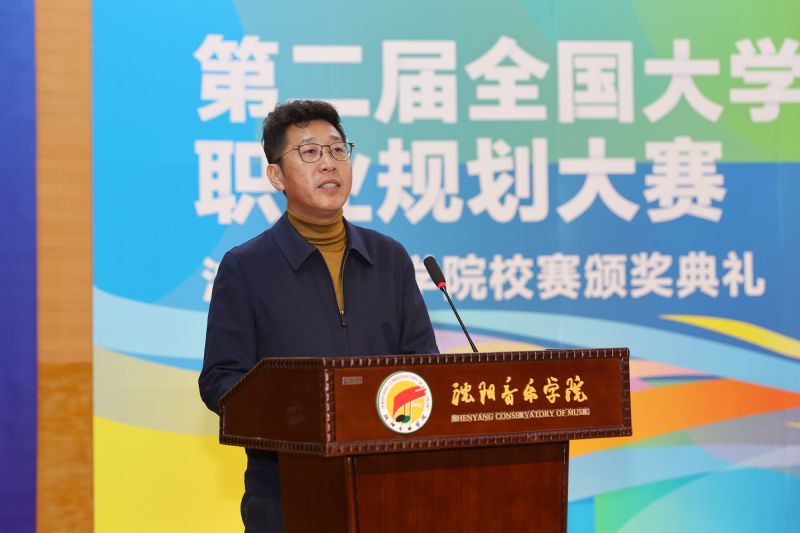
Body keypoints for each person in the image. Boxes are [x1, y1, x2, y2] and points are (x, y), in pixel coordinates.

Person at [198, 100, 439, 532]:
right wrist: (297, 414)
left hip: (387, 483)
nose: (329, 163)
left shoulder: (389, 258)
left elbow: (424, 365)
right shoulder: (246, 268)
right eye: (309, 152)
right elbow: (221, 380)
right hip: (286, 491)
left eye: (337, 149)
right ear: (276, 176)